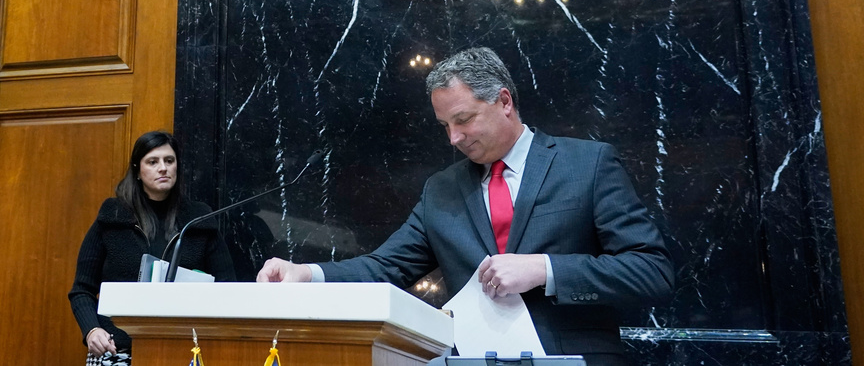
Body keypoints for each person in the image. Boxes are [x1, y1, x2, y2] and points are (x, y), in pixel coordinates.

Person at [257, 47, 673, 366]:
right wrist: (305, 274)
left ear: (504, 102)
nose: (453, 139)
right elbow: (385, 267)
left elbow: (651, 271)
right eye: (445, 126)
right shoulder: (442, 189)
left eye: (464, 119)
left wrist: (543, 269)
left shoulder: (588, 163)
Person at [70, 131, 236, 365]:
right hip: (117, 349)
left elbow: (227, 288)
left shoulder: (199, 220)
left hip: (184, 348)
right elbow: (81, 290)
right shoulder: (113, 217)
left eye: (169, 161)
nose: (163, 168)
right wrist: (92, 330)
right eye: (153, 161)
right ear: (138, 170)